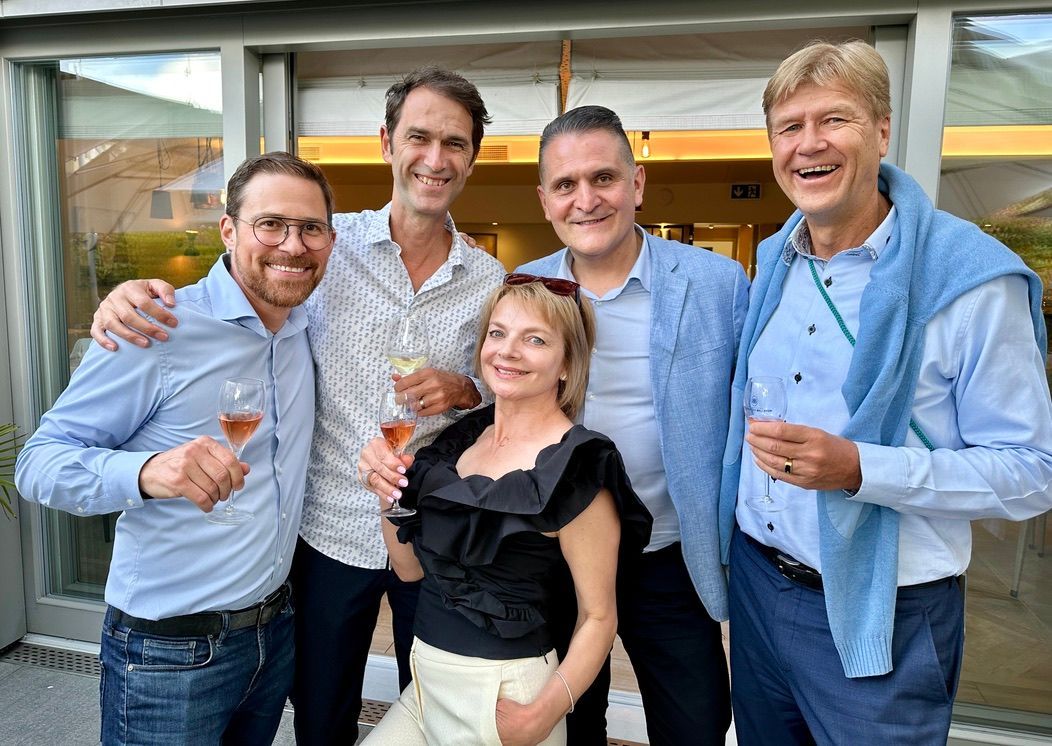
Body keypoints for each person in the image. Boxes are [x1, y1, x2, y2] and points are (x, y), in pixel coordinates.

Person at [86, 67, 508, 744]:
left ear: (472, 158)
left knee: (436, 708)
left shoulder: (486, 277)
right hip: (324, 535)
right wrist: (131, 296)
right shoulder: (324, 247)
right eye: (419, 137)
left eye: (454, 143)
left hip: (434, 536)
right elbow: (247, 284)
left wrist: (469, 390)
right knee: (321, 716)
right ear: (386, 143)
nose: (435, 158)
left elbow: (506, 377)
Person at [717, 39, 1052, 745]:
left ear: (882, 130)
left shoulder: (972, 281)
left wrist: (863, 469)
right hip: (758, 587)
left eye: (833, 119)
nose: (809, 143)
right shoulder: (778, 259)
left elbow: (1031, 472)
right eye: (789, 126)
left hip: (888, 614)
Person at [16, 152, 335, 744]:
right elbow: (38, 462)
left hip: (272, 635)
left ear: (330, 239)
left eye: (310, 227)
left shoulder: (305, 325)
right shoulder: (156, 328)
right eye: (271, 224)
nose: (292, 244)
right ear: (229, 229)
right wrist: (146, 472)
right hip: (168, 653)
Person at [522, 106, 747, 744]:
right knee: (568, 727)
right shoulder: (526, 288)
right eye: (565, 185)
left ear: (637, 183)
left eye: (604, 178)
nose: (586, 199)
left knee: (696, 723)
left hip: (670, 554)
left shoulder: (717, 284)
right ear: (544, 200)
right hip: (556, 554)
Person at [360, 276, 652, 745]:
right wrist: (386, 493)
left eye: (534, 339)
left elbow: (599, 617)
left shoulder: (576, 468)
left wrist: (544, 712)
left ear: (567, 363)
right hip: (423, 688)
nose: (507, 351)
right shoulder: (456, 445)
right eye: (497, 333)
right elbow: (408, 567)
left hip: (503, 699)